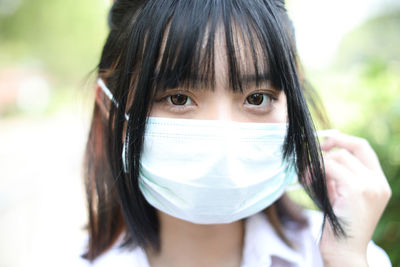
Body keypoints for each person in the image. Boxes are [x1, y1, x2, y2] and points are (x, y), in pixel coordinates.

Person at [80, 0, 392, 266]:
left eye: (256, 98)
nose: (224, 135)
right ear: (110, 108)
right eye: (178, 98)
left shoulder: (348, 255)